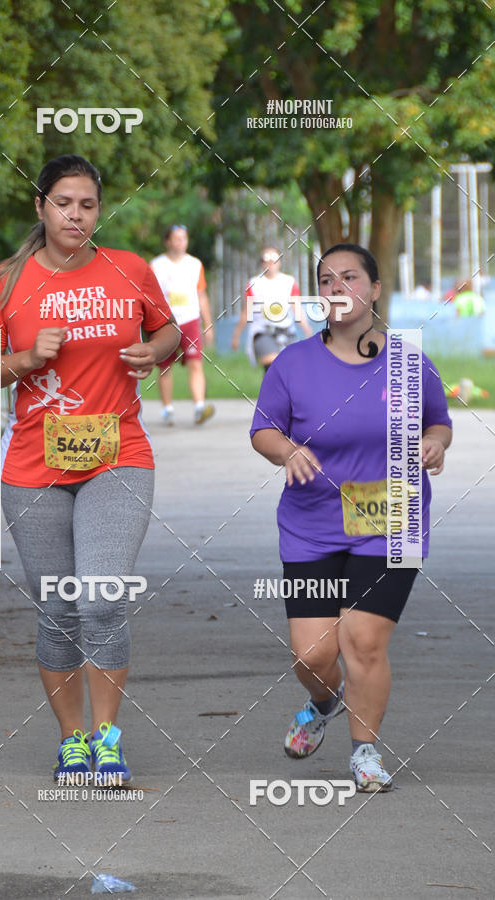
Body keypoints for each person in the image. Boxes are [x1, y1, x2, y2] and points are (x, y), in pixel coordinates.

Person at [0, 155, 179, 784]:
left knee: (101, 599)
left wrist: (155, 351)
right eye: (64, 202)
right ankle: (73, 740)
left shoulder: (129, 269)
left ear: (99, 209)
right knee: (58, 608)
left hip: (119, 457)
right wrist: (26, 357)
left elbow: (171, 332)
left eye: (88, 204)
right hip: (33, 467)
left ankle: (109, 738)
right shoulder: (6, 283)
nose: (76, 215)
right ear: (41, 207)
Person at [250, 243, 453, 792]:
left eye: (350, 276)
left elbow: (438, 422)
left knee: (363, 641)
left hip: (394, 517)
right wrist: (287, 450)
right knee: (314, 654)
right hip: (312, 523)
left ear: (375, 289)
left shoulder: (409, 362)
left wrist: (434, 445)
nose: (337, 286)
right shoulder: (293, 362)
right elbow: (263, 429)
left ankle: (365, 752)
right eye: (326, 279)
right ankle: (323, 701)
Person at [151, 224, 215, 425]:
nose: (180, 242)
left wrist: (208, 323)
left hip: (190, 319)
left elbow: (201, 295)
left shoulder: (194, 264)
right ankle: (167, 409)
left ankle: (199, 407)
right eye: (176, 238)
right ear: (167, 241)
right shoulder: (156, 265)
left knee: (196, 363)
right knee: (164, 367)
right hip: (165, 322)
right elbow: (149, 297)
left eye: (184, 238)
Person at [231, 247, 312, 370]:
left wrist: (308, 331)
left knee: (291, 367)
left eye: (274, 258)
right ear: (262, 263)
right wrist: (236, 335)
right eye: (266, 259)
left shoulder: (289, 281)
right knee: (272, 363)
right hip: (262, 331)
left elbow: (296, 307)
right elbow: (247, 311)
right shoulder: (254, 283)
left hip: (286, 330)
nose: (270, 263)